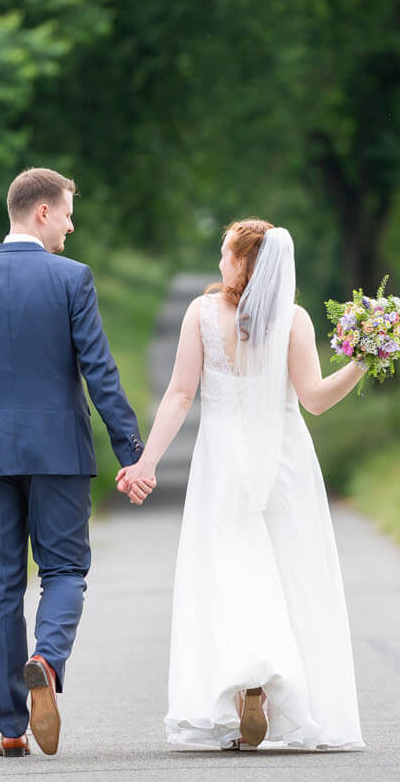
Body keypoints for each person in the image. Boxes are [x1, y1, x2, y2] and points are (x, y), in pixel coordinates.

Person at [117, 219, 367, 750]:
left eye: (226, 255)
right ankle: (277, 692)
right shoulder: (293, 321)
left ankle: (245, 684)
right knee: (288, 574)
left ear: (245, 263)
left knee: (230, 573)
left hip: (223, 462)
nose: (220, 263)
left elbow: (181, 394)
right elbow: (316, 399)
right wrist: (363, 362)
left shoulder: (203, 313)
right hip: (285, 460)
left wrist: (147, 463)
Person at [0, 167, 149, 759]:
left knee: (0, 586)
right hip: (59, 452)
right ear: (43, 212)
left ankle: (9, 724)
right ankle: (45, 661)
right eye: (69, 212)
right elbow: (99, 371)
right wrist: (134, 453)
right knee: (64, 570)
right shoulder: (72, 280)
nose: (73, 225)